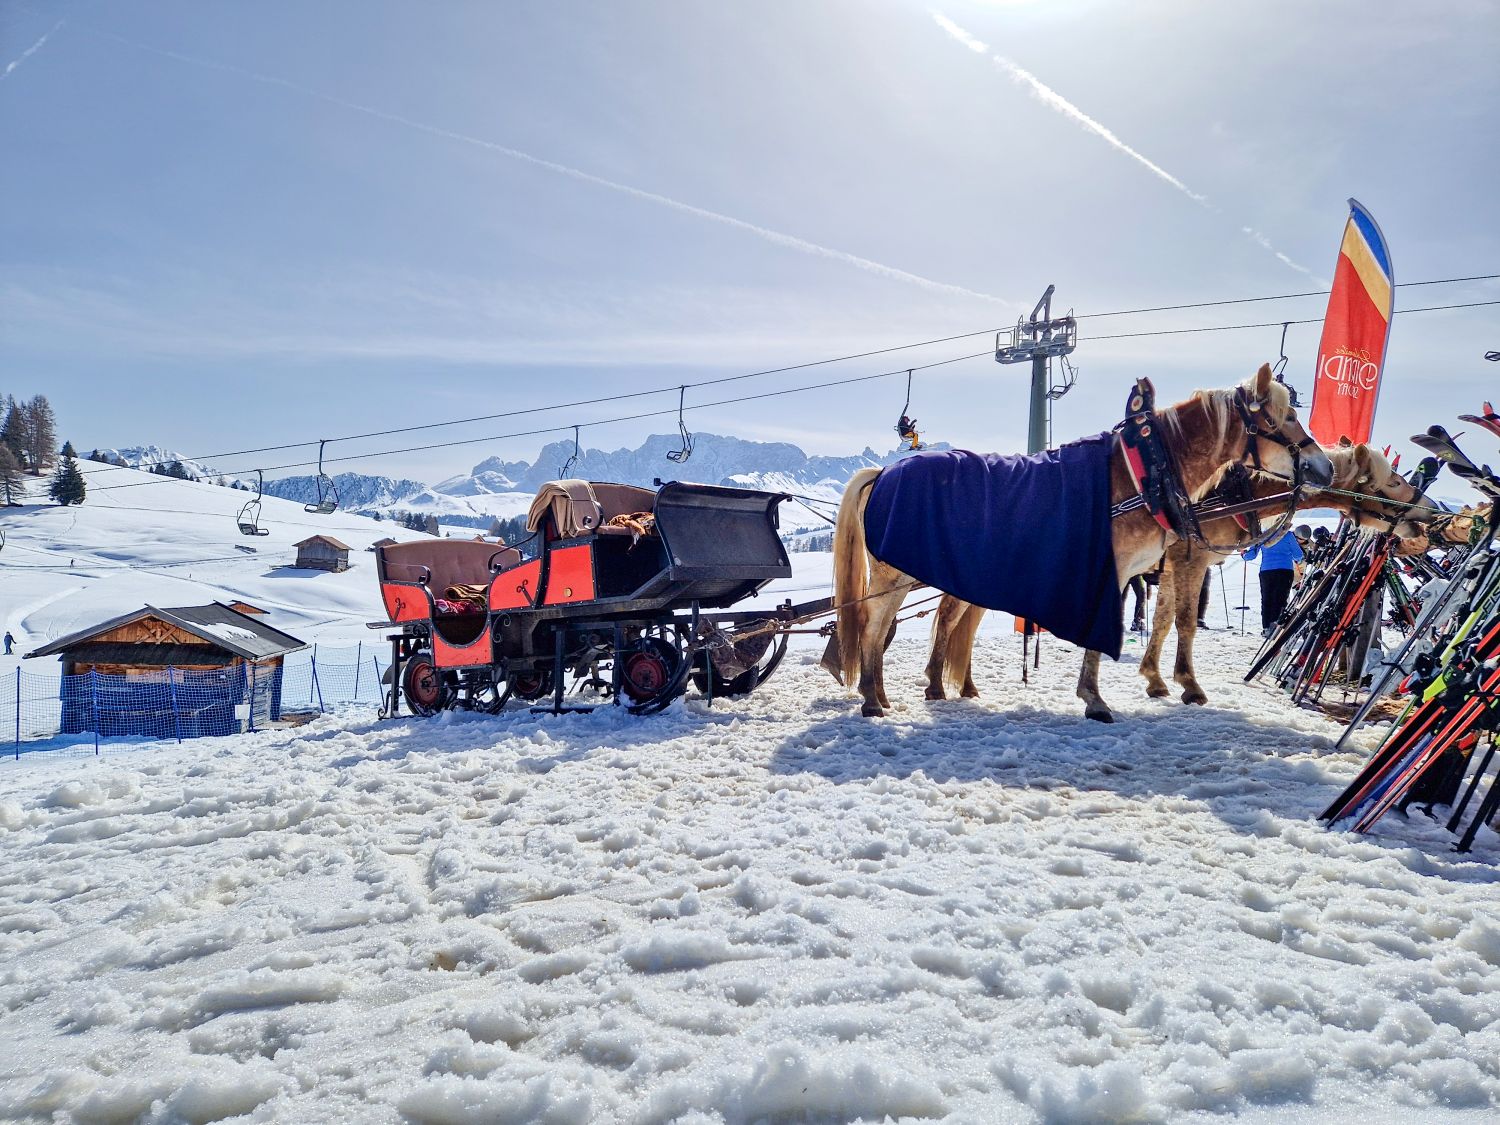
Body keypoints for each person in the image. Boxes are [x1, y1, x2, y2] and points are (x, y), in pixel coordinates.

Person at [1244, 531, 1304, 637]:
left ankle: (1266, 628)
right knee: (1280, 599)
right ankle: (1276, 626)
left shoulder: (1261, 535)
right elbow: (1298, 555)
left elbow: (1250, 556)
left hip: (1266, 571)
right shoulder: (1288, 534)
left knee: (1266, 600)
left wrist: (1243, 554)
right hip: (1284, 570)